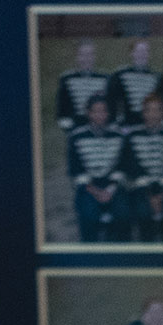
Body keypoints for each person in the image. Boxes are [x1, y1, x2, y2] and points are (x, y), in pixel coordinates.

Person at [63, 93, 128, 242]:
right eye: (95, 111)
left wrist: (110, 190)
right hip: (88, 187)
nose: (100, 115)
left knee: (124, 214)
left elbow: (121, 166)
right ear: (88, 113)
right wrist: (97, 192)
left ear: (108, 113)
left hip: (113, 186)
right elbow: (75, 170)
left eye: (103, 111)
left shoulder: (118, 136)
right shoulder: (76, 137)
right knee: (89, 216)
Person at [121, 91, 163, 242]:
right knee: (143, 213)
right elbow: (131, 166)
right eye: (149, 110)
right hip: (141, 188)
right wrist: (150, 195)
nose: (153, 114)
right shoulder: (132, 137)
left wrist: (161, 195)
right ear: (143, 113)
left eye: (157, 110)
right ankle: (148, 251)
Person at [51, 37, 111, 134]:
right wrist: (69, 128)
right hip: (75, 127)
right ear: (77, 57)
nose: (87, 58)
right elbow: (61, 107)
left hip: (100, 128)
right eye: (83, 55)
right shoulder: (67, 79)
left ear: (94, 57)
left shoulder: (104, 78)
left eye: (90, 55)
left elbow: (110, 105)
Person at [106, 36, 162, 131]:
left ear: (149, 54)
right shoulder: (120, 76)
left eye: (145, 52)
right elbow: (111, 100)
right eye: (138, 51)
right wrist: (113, 122)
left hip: (149, 127)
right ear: (131, 53)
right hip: (126, 126)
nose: (142, 55)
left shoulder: (156, 77)